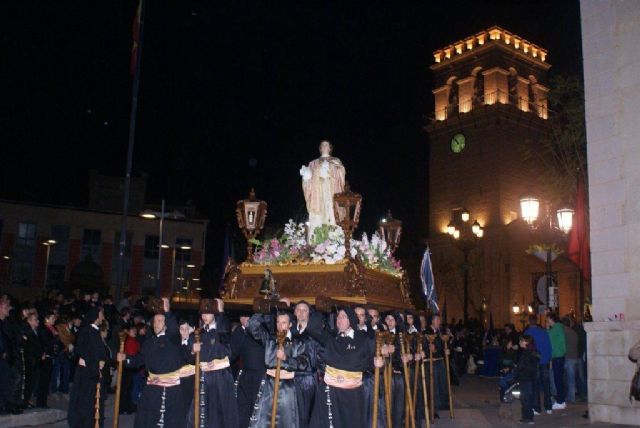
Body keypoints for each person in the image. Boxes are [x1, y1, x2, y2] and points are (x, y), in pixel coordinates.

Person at [118, 298, 187, 428]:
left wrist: (167, 312)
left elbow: (173, 329)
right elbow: (139, 359)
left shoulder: (173, 340)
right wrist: (125, 358)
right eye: (155, 321)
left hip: (171, 390)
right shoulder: (149, 342)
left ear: (166, 325)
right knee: (148, 420)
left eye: (160, 321)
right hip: (151, 389)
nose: (156, 324)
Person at [307, 306, 377, 428]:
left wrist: (378, 362)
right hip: (331, 391)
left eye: (343, 317)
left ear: (351, 320)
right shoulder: (331, 338)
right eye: (338, 317)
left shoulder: (363, 339)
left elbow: (371, 362)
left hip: (353, 393)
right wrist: (320, 309)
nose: (339, 319)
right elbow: (312, 328)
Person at [248, 307, 308, 427]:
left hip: (287, 388)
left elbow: (303, 364)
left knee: (285, 421)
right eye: (278, 322)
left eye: (284, 323)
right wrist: (263, 308)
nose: (280, 326)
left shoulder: (298, 342)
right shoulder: (269, 339)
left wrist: (287, 359)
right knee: (264, 420)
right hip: (269, 386)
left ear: (290, 324)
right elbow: (253, 326)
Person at [185, 298, 238, 428]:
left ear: (215, 314)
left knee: (218, 414)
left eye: (208, 313)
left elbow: (229, 353)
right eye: (203, 313)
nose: (205, 316)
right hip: (201, 378)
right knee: (199, 413)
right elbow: (188, 358)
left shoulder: (223, 333)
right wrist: (192, 351)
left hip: (219, 379)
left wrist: (220, 313)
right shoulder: (197, 334)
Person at [68, 307, 109, 428]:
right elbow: (82, 352)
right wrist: (95, 364)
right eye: (101, 315)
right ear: (96, 316)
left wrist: (103, 361)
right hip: (88, 373)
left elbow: (100, 352)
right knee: (86, 402)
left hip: (96, 372)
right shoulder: (86, 331)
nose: (103, 317)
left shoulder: (95, 331)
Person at [300, 140, 346, 236]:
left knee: (331, 210)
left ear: (330, 148)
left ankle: (335, 236)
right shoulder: (313, 163)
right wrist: (306, 177)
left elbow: (341, 173)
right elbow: (308, 178)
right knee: (319, 212)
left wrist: (330, 169)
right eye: (322, 145)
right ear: (320, 149)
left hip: (331, 189)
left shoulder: (335, 161)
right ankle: (318, 237)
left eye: (327, 145)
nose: (324, 147)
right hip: (318, 191)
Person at [230, 312, 265, 428]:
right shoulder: (239, 332)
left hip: (261, 375)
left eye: (247, 316)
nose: (244, 319)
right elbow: (232, 352)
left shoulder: (260, 332)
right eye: (242, 316)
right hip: (245, 374)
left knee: (257, 408)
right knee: (242, 406)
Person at [292, 300, 320, 428]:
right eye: (299, 310)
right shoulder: (289, 332)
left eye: (305, 310)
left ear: (309, 313)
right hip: (291, 378)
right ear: (294, 312)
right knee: (293, 414)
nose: (301, 313)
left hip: (309, 380)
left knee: (308, 415)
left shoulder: (316, 333)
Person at [524, 315, 552, 415]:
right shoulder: (544, 332)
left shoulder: (527, 333)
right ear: (536, 321)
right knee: (546, 384)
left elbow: (526, 349)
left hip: (534, 362)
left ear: (529, 322)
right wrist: (548, 358)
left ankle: (537, 408)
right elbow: (549, 346)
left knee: (535, 385)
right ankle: (548, 407)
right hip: (545, 361)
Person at [0, 297, 22, 415]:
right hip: (2, 356)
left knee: (7, 382)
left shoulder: (7, 322)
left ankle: (7, 405)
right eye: (6, 307)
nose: (8, 309)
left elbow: (11, 338)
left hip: (7, 357)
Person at [513, 335, 539, 425]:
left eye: (521, 341)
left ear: (526, 342)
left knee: (526, 399)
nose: (520, 342)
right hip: (528, 378)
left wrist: (518, 371)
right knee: (526, 398)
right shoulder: (530, 352)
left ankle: (528, 418)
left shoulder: (528, 353)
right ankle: (527, 417)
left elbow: (525, 367)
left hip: (526, 379)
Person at [547, 313, 567, 410]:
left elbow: (548, 338)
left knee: (558, 380)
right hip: (560, 356)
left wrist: (547, 329)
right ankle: (561, 400)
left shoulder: (556, 328)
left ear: (551, 319)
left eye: (548, 320)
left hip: (558, 357)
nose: (547, 322)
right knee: (559, 379)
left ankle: (560, 401)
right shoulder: (559, 327)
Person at [562, 317, 579, 403]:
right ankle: (571, 396)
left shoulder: (564, 333)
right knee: (572, 379)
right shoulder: (574, 332)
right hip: (574, 357)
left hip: (568, 358)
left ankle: (570, 397)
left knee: (567, 379)